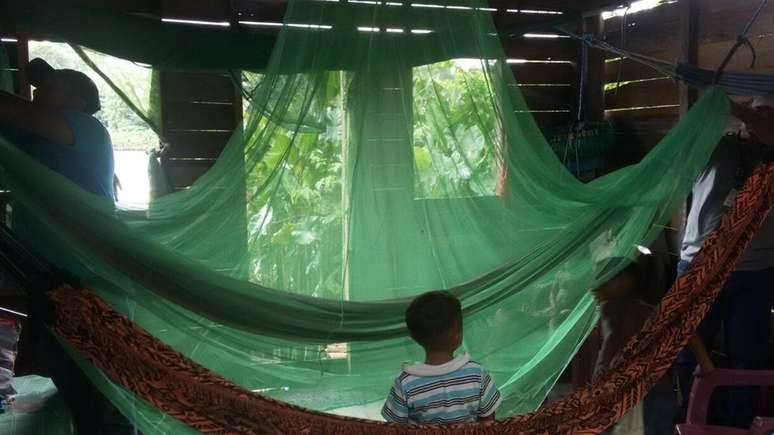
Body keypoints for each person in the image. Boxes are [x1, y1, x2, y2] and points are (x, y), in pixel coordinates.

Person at [0, 58, 133, 435]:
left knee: (105, 405)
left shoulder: (87, 129)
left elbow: (15, 110)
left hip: (92, 290)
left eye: (51, 85)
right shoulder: (35, 140)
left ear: (78, 99)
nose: (39, 91)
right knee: (81, 398)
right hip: (50, 287)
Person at [676, 95, 774, 429]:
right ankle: (692, 421)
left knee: (748, 356)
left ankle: (737, 426)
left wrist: (736, 106)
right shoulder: (716, 147)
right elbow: (681, 153)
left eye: (770, 115)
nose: (762, 120)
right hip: (700, 264)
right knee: (689, 351)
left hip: (754, 271)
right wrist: (722, 106)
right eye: (758, 112)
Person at [592, 257, 713, 435]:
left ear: (621, 282)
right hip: (663, 392)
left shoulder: (612, 308)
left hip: (637, 398)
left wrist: (601, 379)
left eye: (600, 281)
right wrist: (705, 363)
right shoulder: (652, 309)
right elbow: (685, 324)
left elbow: (612, 345)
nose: (593, 287)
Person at [382, 291, 502, 424]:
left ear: (414, 337)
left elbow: (394, 428)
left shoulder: (405, 382)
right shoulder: (477, 373)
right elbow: (488, 422)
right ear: (458, 334)